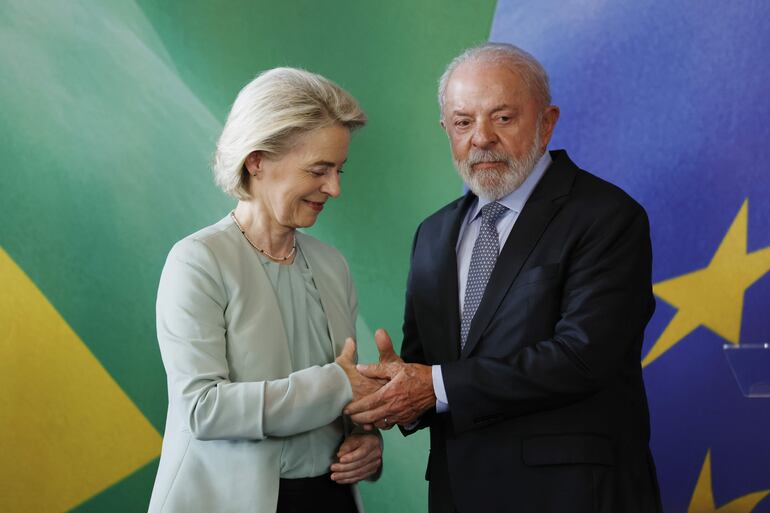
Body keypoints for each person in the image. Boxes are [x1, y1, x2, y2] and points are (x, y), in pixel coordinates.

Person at [345, 43, 663, 513]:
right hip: (456, 495)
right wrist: (388, 390)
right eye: (463, 122)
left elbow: (581, 357)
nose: (481, 138)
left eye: (503, 118)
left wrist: (431, 385)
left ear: (546, 122)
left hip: (571, 498)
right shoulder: (433, 234)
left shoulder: (607, 217)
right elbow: (427, 366)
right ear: (445, 130)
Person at [148, 67, 384, 513]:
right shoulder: (197, 261)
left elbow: (343, 403)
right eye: (319, 169)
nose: (334, 188)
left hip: (331, 501)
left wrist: (367, 443)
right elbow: (203, 409)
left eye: (338, 170)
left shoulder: (333, 266)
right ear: (256, 160)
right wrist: (338, 384)